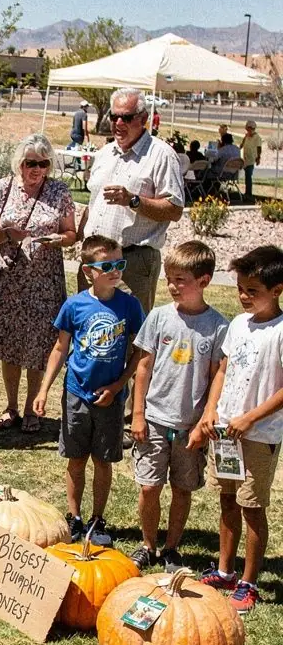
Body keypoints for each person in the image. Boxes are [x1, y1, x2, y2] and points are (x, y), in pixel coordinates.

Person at [33, 236, 144, 544]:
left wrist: (119, 385)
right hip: (76, 393)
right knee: (76, 459)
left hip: (110, 397)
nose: (115, 271)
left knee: (103, 461)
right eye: (106, 265)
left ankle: (97, 519)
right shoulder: (75, 305)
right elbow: (59, 348)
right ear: (88, 271)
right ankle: (75, 517)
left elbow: (140, 350)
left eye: (119, 264)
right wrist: (43, 390)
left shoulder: (130, 306)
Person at [192, 245, 283, 613]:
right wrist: (211, 410)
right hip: (225, 435)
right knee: (227, 500)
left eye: (253, 291)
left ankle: (248, 582)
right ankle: (226, 571)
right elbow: (225, 370)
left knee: (251, 506)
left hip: (258, 437)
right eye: (241, 289)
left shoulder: (279, 331)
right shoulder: (238, 324)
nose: (244, 296)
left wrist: (251, 418)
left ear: (277, 290)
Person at [130, 241, 228, 571]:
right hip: (154, 419)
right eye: (169, 278)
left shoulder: (217, 326)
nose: (172, 286)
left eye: (180, 280)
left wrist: (204, 420)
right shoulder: (158, 318)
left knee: (182, 488)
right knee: (149, 486)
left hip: (190, 425)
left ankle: (171, 547)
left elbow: (218, 376)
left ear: (204, 281)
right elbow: (143, 367)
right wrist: (138, 414)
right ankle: (147, 544)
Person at [0, 134, 77, 432]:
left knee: (39, 343)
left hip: (44, 280)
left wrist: (57, 239)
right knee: (10, 343)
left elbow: (72, 233)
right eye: (30, 163)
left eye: (43, 163)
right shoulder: (4, 187)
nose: (37, 169)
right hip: (10, 277)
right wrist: (7, 233)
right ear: (19, 163)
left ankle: (32, 408)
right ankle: (10, 406)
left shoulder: (59, 191)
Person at [77, 88, 185, 317]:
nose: (118, 123)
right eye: (113, 116)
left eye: (126, 117)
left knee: (129, 337)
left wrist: (133, 200)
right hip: (93, 261)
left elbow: (174, 209)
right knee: (90, 331)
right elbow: (94, 201)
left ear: (144, 119)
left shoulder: (161, 155)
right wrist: (79, 235)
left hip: (132, 263)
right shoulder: (105, 153)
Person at [240, 121, 262, 203]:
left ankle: (249, 194)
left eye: (248, 129)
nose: (247, 131)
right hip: (245, 159)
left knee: (248, 176)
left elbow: (259, 148)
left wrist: (258, 157)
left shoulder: (257, 137)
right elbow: (242, 144)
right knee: (247, 176)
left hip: (251, 159)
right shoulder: (246, 136)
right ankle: (247, 193)